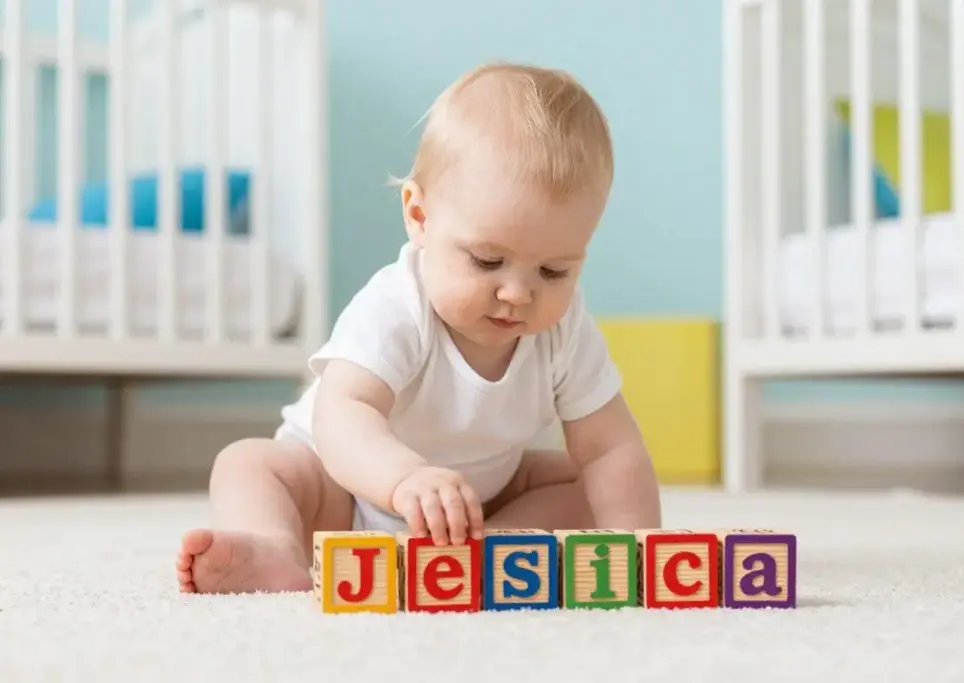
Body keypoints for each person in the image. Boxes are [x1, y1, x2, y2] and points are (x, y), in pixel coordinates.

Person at [176, 61, 662, 595]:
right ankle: (274, 547)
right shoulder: (396, 305)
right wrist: (403, 478)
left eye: (554, 271)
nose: (518, 293)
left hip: (473, 506)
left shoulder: (564, 329)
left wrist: (637, 547)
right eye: (487, 261)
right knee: (248, 463)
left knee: (583, 482)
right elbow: (343, 414)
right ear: (419, 216)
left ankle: (489, 551)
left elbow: (610, 448)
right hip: (341, 492)